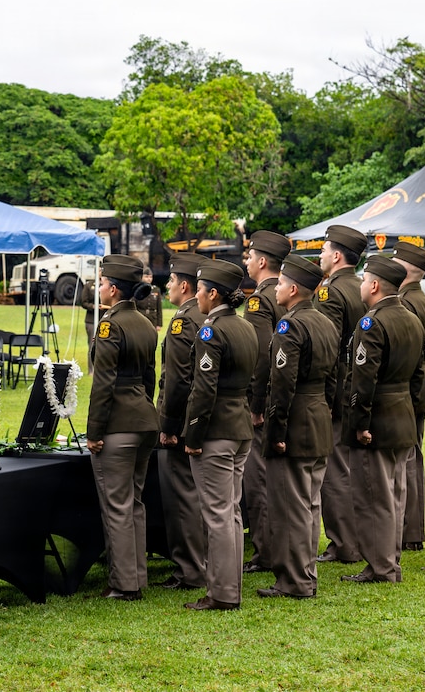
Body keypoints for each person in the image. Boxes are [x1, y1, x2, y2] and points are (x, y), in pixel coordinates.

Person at [257, 254, 338, 599]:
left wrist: (275, 433)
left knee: (291, 506)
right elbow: (334, 379)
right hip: (318, 416)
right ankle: (305, 574)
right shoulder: (326, 323)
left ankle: (295, 580)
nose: (275, 288)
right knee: (309, 503)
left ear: (292, 288)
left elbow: (282, 385)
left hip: (296, 422)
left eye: (280, 283)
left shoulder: (290, 326)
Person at [340, 256, 424, 584]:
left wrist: (360, 423)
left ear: (374, 286)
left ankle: (380, 566)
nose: (361, 285)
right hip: (402, 415)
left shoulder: (371, 323)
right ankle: (390, 560)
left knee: (374, 497)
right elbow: (419, 375)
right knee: (396, 494)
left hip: (376, 420)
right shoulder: (412, 319)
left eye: (364, 280)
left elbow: (363, 380)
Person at [183, 259, 258, 611]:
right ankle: (231, 587)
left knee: (217, 514)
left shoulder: (211, 331)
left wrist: (193, 435)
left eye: (199, 290)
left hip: (217, 430)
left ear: (213, 294)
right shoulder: (245, 328)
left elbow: (203, 390)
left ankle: (223, 593)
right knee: (231, 511)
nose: (196, 296)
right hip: (240, 426)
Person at [86, 255, 159, 601]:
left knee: (116, 505)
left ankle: (124, 584)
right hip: (144, 420)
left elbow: (103, 383)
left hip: (119, 423)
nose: (98, 288)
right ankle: (137, 576)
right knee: (135, 504)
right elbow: (149, 378)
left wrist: (94, 431)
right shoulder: (146, 323)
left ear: (113, 289)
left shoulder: (109, 325)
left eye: (101, 283)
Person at [237, 230, 292, 574]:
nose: (245, 261)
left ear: (261, 261)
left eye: (249, 256)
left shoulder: (259, 300)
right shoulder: (285, 293)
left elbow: (260, 356)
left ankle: (266, 551)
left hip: (264, 399)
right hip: (283, 395)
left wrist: (256, 405)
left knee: (258, 480)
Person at [312, 225, 367, 565]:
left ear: (336, 255)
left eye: (323, 250)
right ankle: (357, 538)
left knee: (334, 471)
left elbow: (328, 349)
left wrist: (327, 397)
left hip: (338, 388)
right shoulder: (364, 287)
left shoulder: (329, 292)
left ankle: (345, 543)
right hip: (360, 385)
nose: (319, 256)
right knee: (354, 468)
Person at [155, 252, 207, 591]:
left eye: (171, 281)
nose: (167, 286)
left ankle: (190, 570)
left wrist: (169, 426)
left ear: (184, 285)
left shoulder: (182, 321)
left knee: (183, 499)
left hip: (184, 420)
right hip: (202, 418)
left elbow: (177, 380)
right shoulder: (205, 316)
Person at [391, 241, 425, 552]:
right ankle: (411, 530)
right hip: (421, 389)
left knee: (406, 459)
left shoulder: (406, 303)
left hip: (409, 389)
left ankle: (408, 531)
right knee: (413, 457)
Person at [135, 265, 163, 330]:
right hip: (140, 318)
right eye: (146, 277)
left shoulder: (156, 290)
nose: (149, 279)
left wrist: (159, 324)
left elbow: (159, 308)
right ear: (141, 277)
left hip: (153, 319)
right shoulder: (137, 289)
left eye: (150, 277)